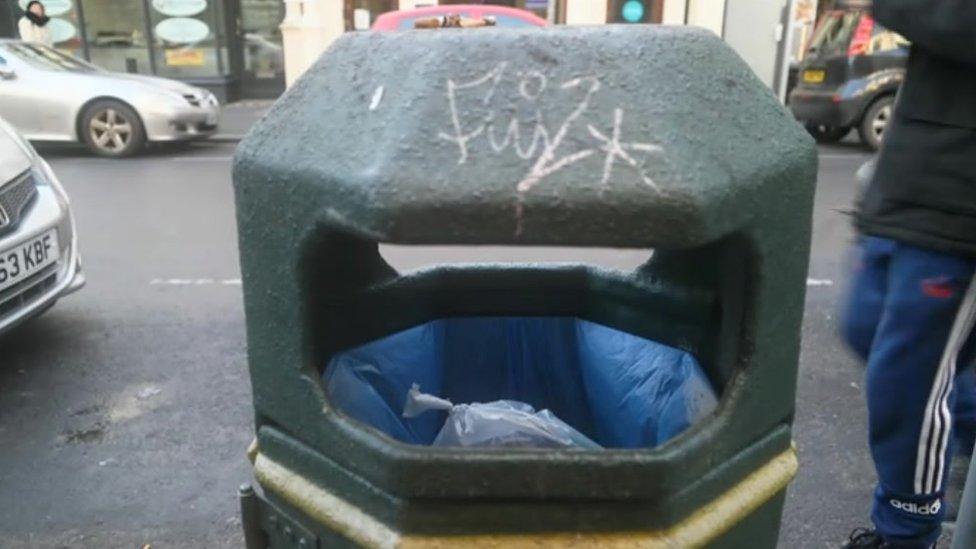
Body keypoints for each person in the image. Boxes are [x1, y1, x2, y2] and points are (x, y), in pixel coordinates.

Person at [840, 1, 976, 548]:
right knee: (863, 329)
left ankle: (906, 530)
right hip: (909, 179)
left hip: (960, 202)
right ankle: (954, 442)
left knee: (910, 380)